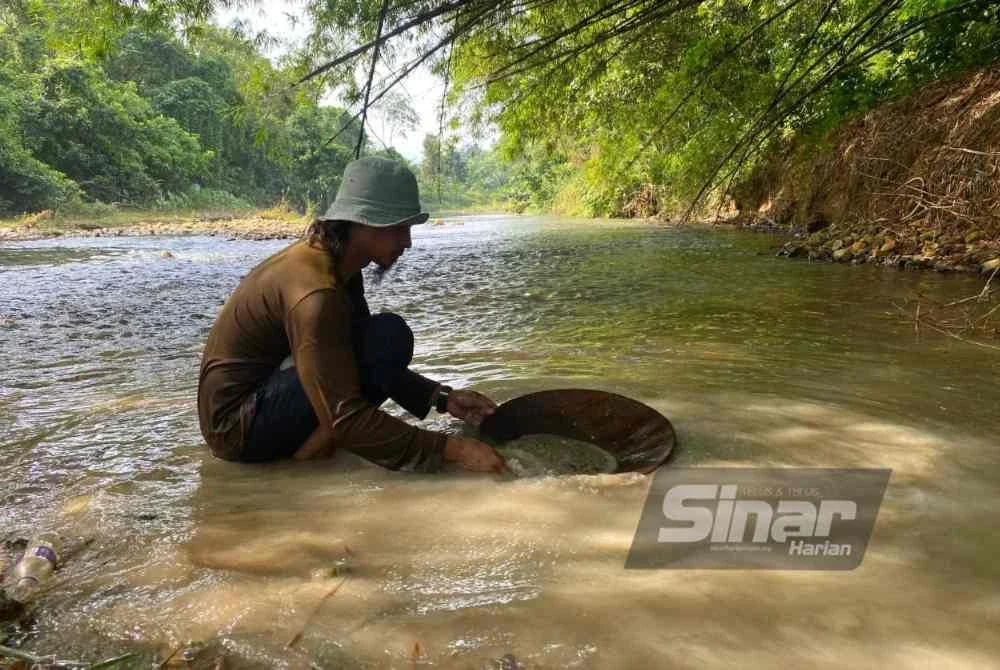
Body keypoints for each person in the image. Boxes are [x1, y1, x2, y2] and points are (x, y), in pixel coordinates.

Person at [196, 156, 506, 473]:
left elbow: (355, 360)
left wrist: (441, 398)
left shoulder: (340, 264)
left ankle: (312, 448)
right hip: (235, 430)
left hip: (260, 400)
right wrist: (450, 450)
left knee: (383, 340)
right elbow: (346, 414)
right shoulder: (317, 293)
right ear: (361, 224)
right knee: (388, 336)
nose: (408, 242)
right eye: (399, 228)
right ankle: (305, 461)